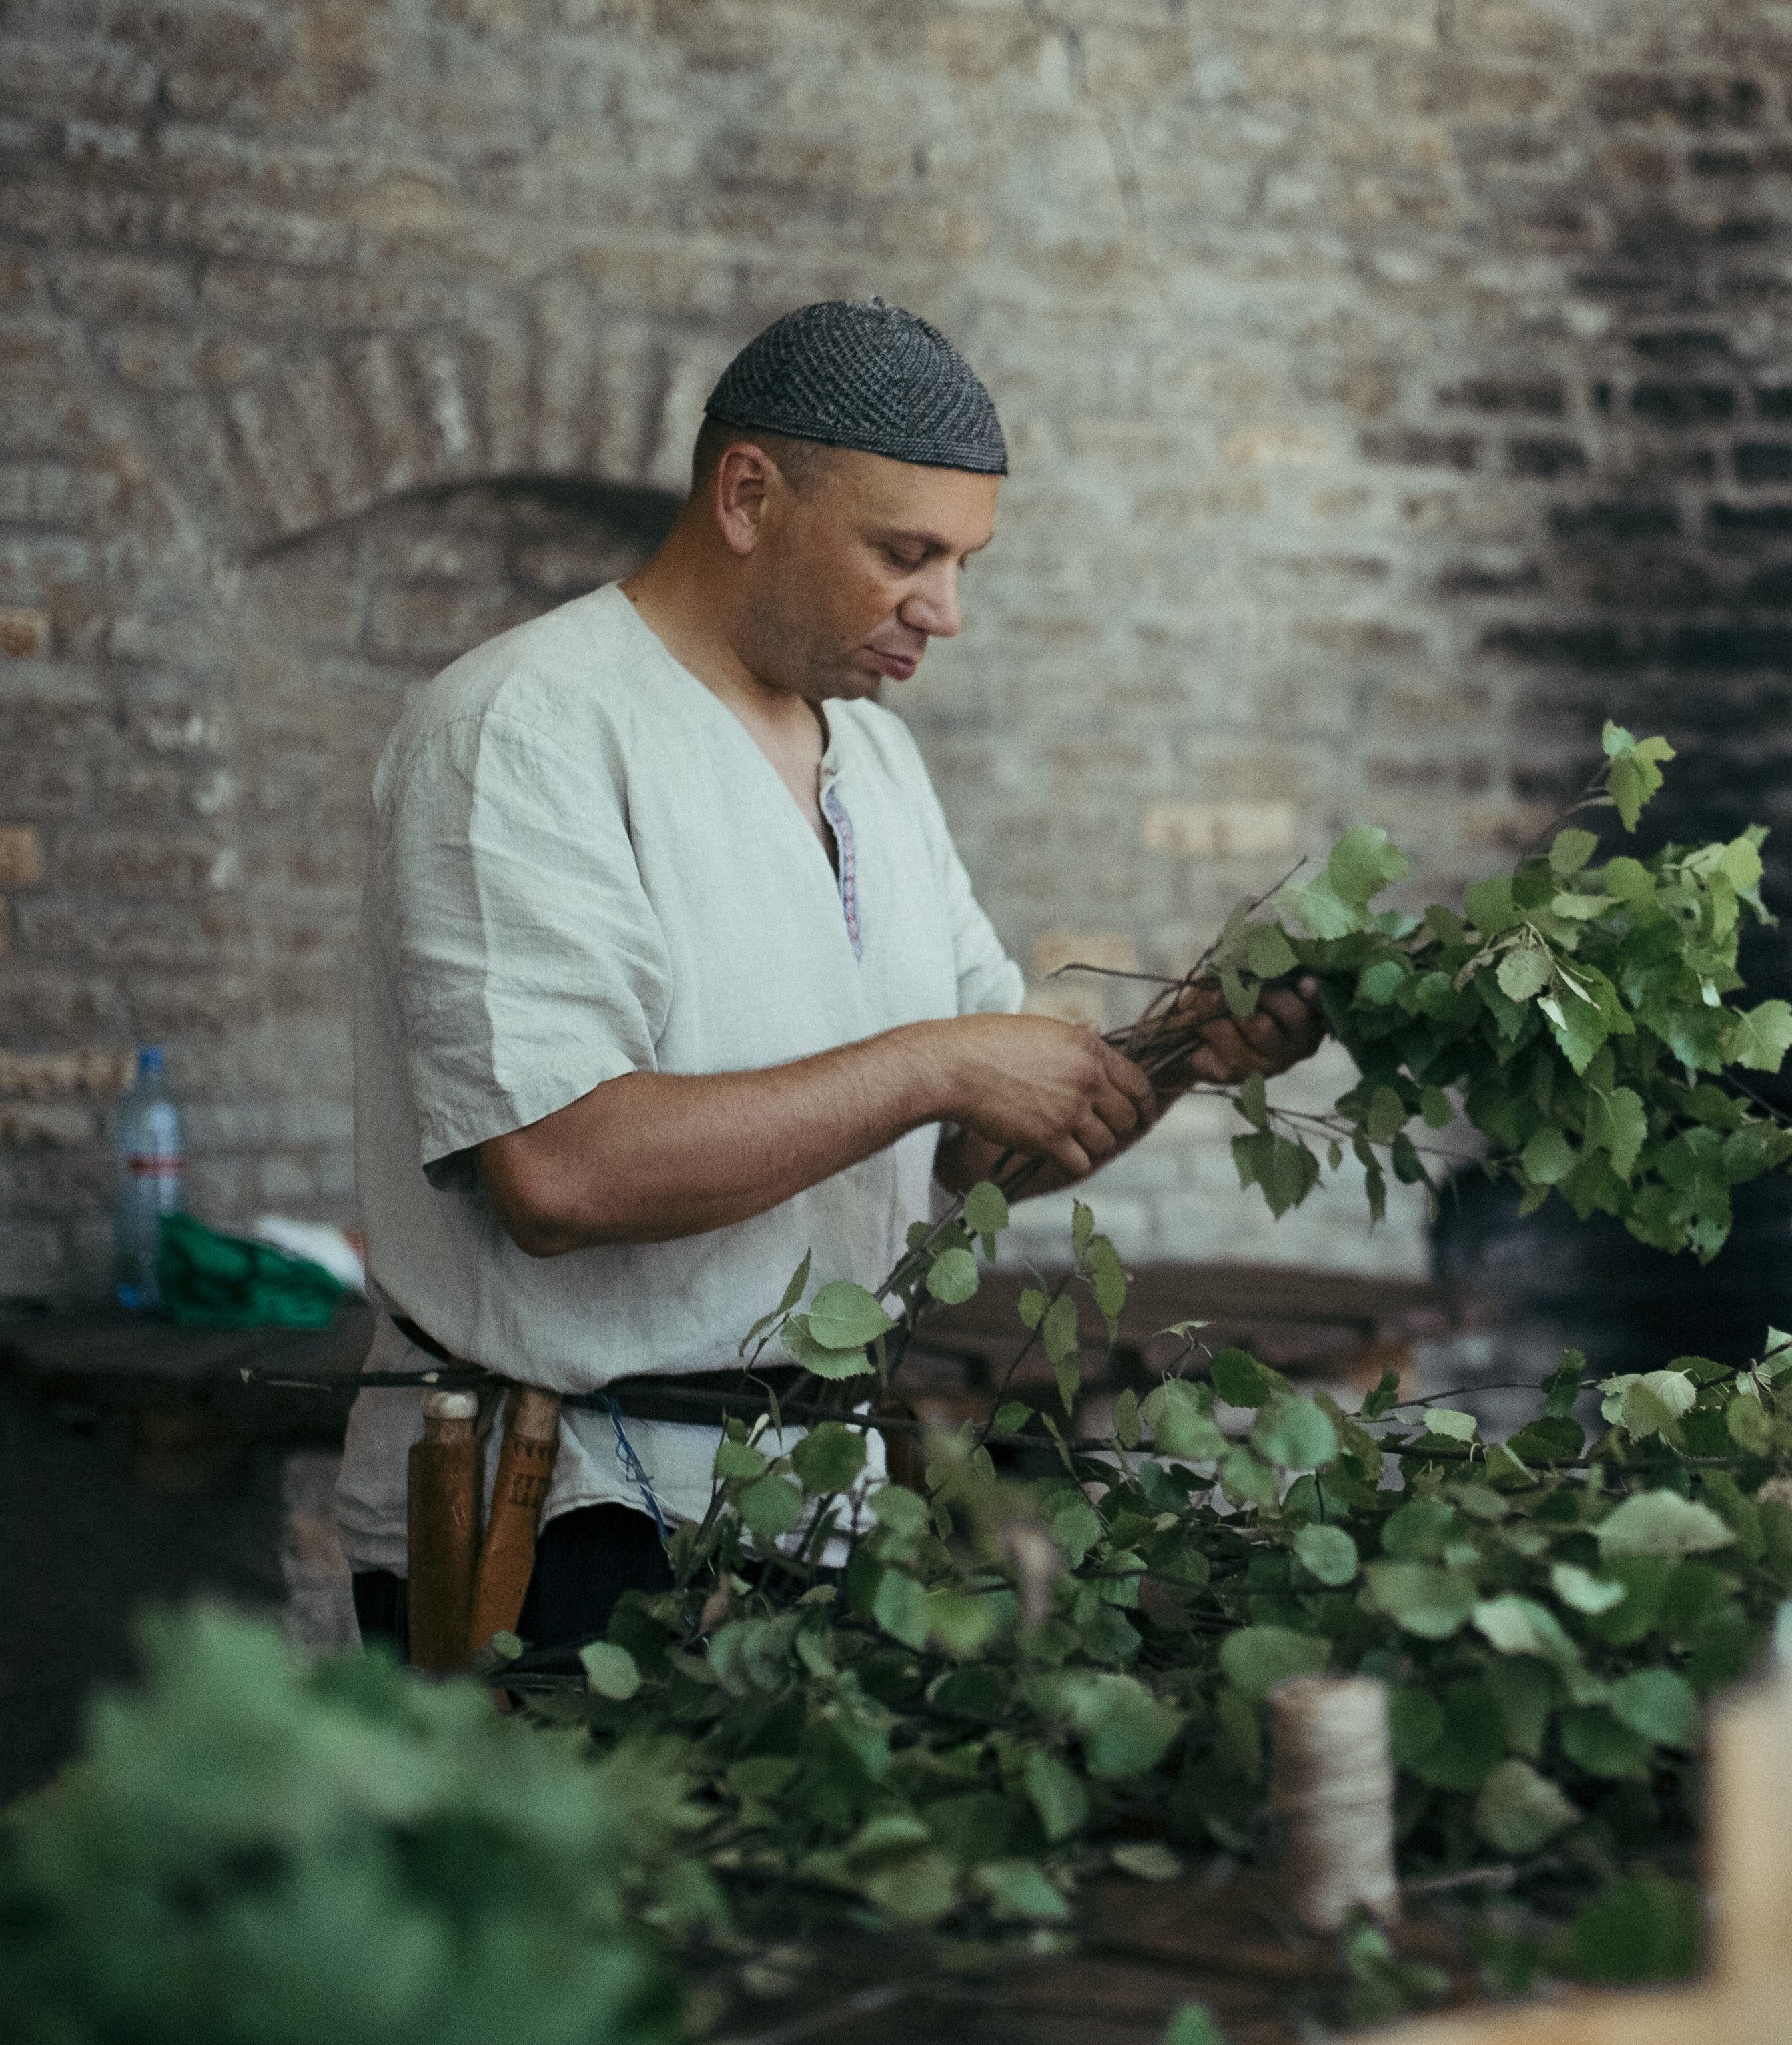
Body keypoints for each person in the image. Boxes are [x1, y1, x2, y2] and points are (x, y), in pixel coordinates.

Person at [332, 300, 1322, 1653]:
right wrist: (942, 1059)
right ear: (748, 495)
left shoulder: (877, 760)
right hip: (558, 1516)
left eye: (966, 561)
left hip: (813, 1494)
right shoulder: (529, 729)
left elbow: (981, 1154)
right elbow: (560, 1173)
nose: (949, 611)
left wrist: (1174, 1054)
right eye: (905, 553)